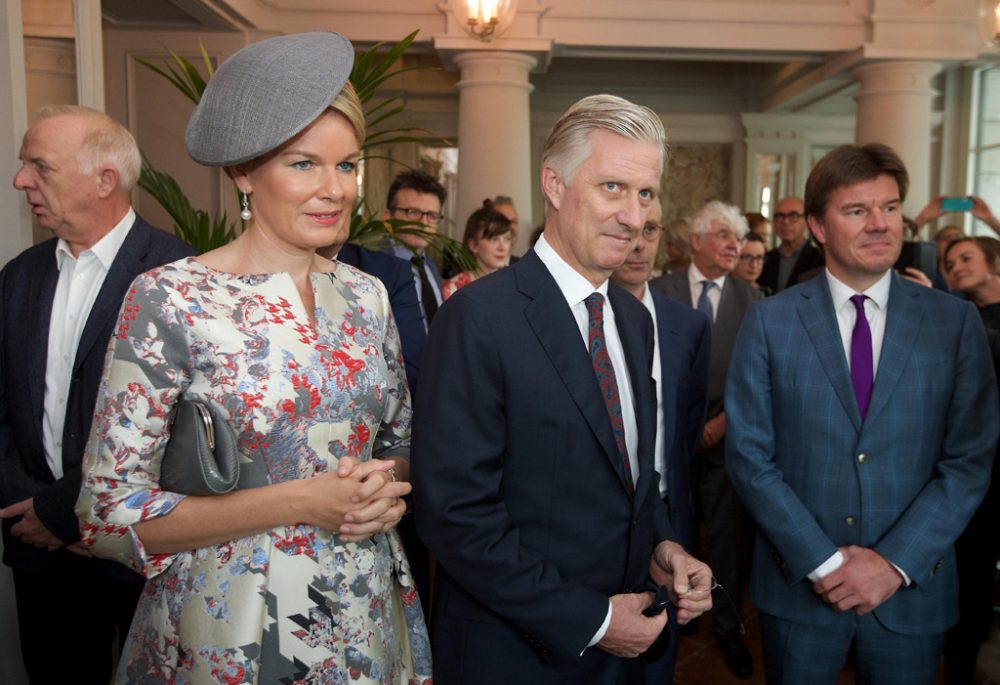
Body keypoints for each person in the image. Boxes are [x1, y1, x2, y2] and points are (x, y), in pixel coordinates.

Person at [75, 32, 431, 683]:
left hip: (362, 617)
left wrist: (383, 490)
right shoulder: (171, 298)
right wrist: (297, 500)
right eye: (304, 164)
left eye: (348, 165)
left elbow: (398, 442)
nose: (335, 189)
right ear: (243, 171)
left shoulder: (368, 297)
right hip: (231, 630)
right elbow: (104, 516)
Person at [412, 94, 713, 685]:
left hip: (626, 646)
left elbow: (632, 479)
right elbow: (454, 514)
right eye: (612, 188)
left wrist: (665, 547)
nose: (633, 216)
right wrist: (594, 619)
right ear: (553, 184)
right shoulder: (478, 317)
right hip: (515, 655)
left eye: (645, 193)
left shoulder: (634, 320)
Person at [726, 143, 998, 684]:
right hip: (801, 589)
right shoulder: (769, 323)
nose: (880, 224)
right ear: (818, 227)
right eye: (857, 211)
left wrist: (894, 563)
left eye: (891, 207)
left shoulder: (954, 324)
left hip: (911, 589)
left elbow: (969, 460)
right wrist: (826, 565)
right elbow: (750, 458)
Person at [0, 105, 195, 684]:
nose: (21, 182)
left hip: (144, 555)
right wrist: (30, 510)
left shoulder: (182, 275)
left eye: (39, 166)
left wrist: (73, 515)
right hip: (38, 550)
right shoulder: (19, 276)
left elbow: (186, 432)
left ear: (105, 179)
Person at [650, 200, 763, 679]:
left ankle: (727, 629)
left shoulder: (755, 300)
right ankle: (677, 615)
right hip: (667, 439)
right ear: (695, 241)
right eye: (723, 234)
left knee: (726, 539)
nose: (734, 245)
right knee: (669, 532)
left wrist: (723, 424)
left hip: (726, 439)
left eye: (737, 237)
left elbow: (759, 378)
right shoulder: (658, 291)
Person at [611, 205, 712, 684]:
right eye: (627, 231)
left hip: (667, 508)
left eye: (649, 230)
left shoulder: (687, 325)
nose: (638, 243)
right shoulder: (580, 318)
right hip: (600, 515)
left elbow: (688, 423)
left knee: (659, 647)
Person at [941, 236, 1000, 685]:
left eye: (966, 258)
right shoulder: (956, 321)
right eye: (949, 262)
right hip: (974, 474)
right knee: (972, 578)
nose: (957, 266)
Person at [384, 170, 447, 328]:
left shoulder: (429, 267)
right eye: (413, 212)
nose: (423, 222)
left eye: (432, 215)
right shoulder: (373, 266)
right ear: (388, 218)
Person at [441, 199, 514, 299]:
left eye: (507, 239)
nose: (502, 247)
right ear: (473, 245)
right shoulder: (454, 289)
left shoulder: (515, 282)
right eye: (494, 239)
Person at [758, 196, 825, 293]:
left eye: (793, 216)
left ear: (807, 222)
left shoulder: (820, 259)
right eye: (780, 216)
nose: (785, 222)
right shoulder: (765, 259)